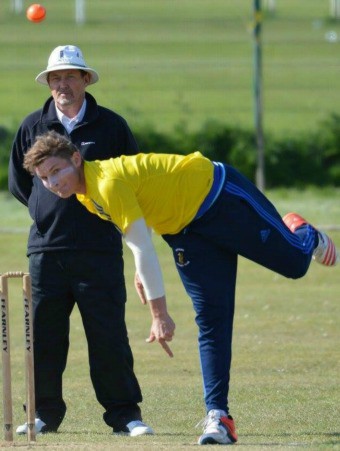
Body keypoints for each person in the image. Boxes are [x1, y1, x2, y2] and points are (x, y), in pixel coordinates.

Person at [23, 131, 338, 446]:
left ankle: (302, 231)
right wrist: (140, 273)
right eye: (45, 178)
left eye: (58, 171)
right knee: (212, 318)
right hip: (183, 231)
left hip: (217, 195)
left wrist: (159, 315)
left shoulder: (105, 183)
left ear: (76, 159)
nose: (54, 182)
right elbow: (138, 228)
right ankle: (219, 417)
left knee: (296, 264)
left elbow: (143, 248)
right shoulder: (84, 196)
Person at [8, 46, 153, 437]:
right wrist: (46, 210)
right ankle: (42, 414)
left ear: (86, 80)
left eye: (70, 76)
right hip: (46, 251)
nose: (62, 84)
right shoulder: (32, 126)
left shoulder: (111, 126)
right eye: (56, 78)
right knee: (43, 336)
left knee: (108, 335)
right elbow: (21, 185)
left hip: (99, 249)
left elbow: (131, 178)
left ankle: (125, 415)